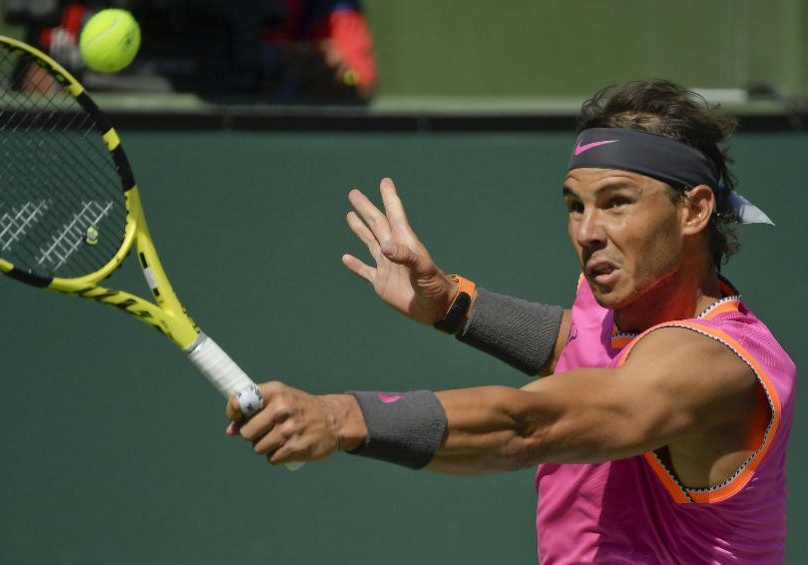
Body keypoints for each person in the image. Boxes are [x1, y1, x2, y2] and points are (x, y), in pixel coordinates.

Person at [225, 80, 796, 564]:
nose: (586, 231)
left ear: (693, 210)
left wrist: (342, 416)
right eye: (575, 206)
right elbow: (580, 343)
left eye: (617, 202)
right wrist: (453, 304)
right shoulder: (618, 303)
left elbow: (529, 426)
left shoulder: (716, 364)